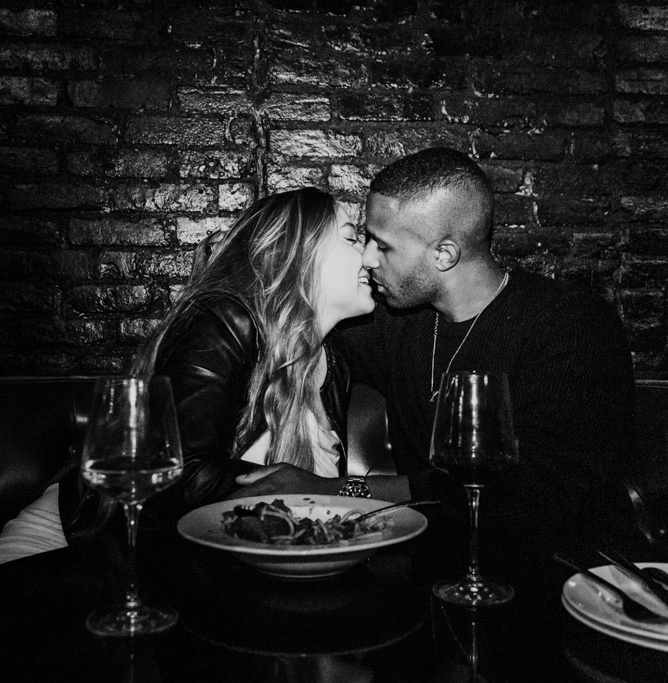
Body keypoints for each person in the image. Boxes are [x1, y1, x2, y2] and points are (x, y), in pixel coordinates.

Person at [230, 148, 639, 598]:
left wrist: (335, 489)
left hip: (567, 586)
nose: (367, 258)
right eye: (365, 239)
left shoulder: (571, 324)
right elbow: (285, 319)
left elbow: (538, 497)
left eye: (383, 245)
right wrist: (223, 286)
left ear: (444, 254)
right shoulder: (394, 324)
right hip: (435, 584)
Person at [0, 187, 374, 570]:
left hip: (173, 571)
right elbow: (180, 478)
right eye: (352, 238)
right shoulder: (226, 320)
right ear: (295, 252)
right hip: (72, 548)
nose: (369, 257)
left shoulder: (332, 363)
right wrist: (310, 488)